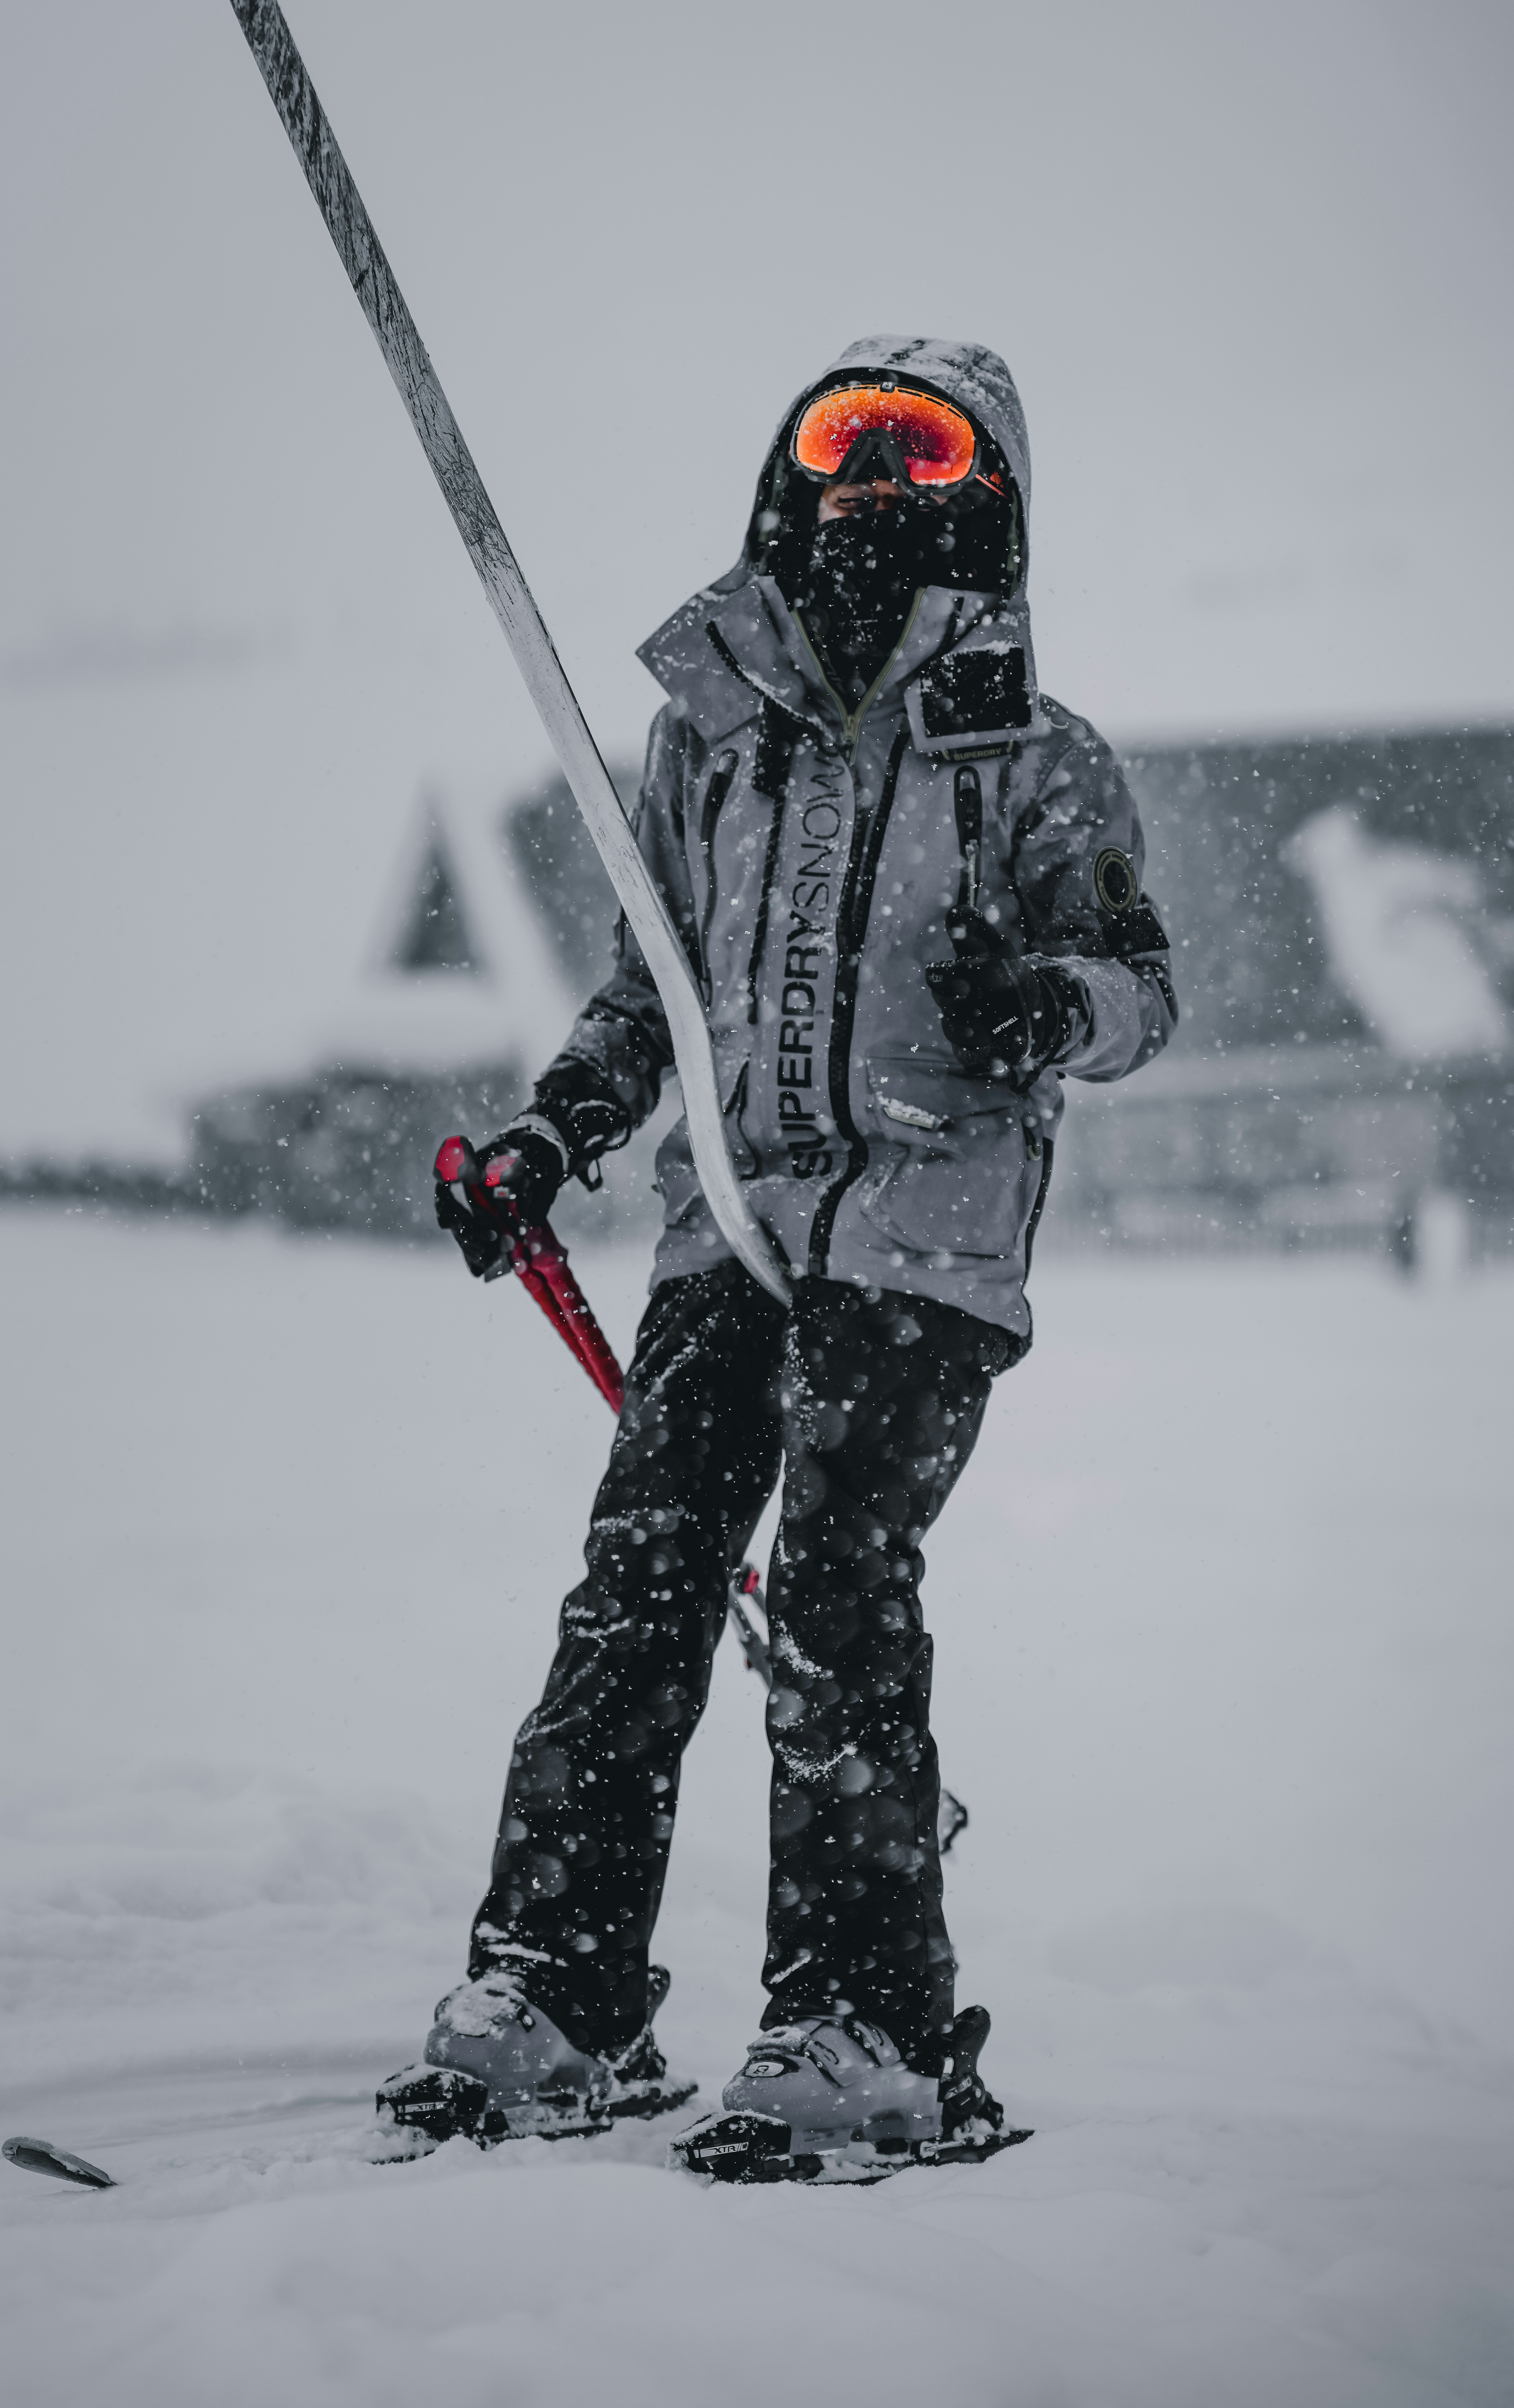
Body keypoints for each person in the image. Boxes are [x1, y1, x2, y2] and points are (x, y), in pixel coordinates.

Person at [379, 337, 1176, 2184]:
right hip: (726, 1228)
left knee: (832, 1589)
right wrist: (554, 1137)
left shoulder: (1036, 761)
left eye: (918, 448)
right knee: (636, 1594)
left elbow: (1143, 991)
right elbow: (643, 991)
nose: (873, 481)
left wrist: (1048, 1004)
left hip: (924, 1239)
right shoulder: (707, 742)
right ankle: (558, 1995)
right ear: (786, 473)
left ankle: (868, 2030)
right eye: (842, 440)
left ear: (987, 495)